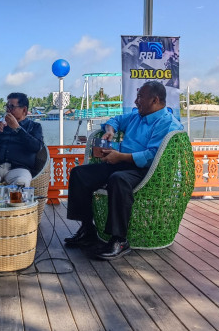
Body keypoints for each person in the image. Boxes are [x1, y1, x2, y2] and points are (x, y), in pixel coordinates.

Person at [65, 81, 183, 260]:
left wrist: (121, 157)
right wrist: (110, 130)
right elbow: (116, 120)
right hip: (120, 161)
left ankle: (119, 240)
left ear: (155, 100)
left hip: (147, 170)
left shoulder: (167, 123)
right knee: (79, 174)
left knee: (118, 179)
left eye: (140, 97)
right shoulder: (137, 116)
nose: (136, 101)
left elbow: (153, 155)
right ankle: (88, 230)